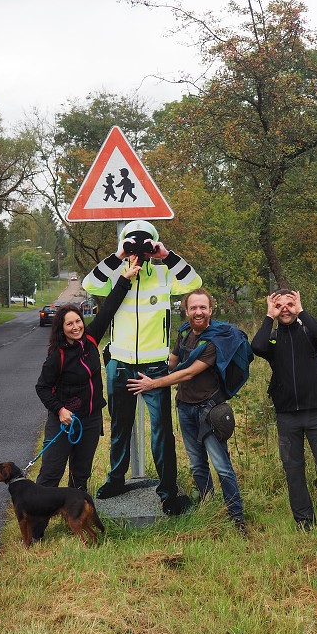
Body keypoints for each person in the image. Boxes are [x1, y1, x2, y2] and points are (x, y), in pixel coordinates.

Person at [82, 220, 202, 515]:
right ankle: (116, 480)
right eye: (132, 244)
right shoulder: (116, 274)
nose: (138, 250)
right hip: (120, 362)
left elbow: (193, 283)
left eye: (143, 245)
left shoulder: (163, 274)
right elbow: (89, 284)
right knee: (119, 428)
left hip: (155, 366)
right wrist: (119, 256)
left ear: (153, 245)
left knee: (161, 431)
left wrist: (166, 255)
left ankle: (167, 491)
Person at [33, 262, 140, 540]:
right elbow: (43, 388)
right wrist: (60, 411)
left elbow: (109, 308)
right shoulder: (56, 356)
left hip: (90, 421)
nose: (76, 326)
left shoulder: (91, 339)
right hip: (64, 422)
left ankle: (76, 521)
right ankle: (36, 529)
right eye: (69, 324)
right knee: (51, 474)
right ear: (62, 328)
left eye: (78, 321)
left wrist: (125, 279)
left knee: (80, 476)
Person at [127, 288, 248, 533]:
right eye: (193, 308)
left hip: (209, 410)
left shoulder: (215, 339)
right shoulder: (183, 332)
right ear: (186, 310)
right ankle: (208, 508)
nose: (198, 312)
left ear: (211, 310)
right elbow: (174, 361)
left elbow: (189, 371)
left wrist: (154, 383)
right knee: (197, 465)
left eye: (203, 307)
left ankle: (237, 517)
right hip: (185, 408)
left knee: (221, 465)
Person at [251, 289, 317, 531]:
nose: (285, 308)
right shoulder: (273, 339)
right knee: (293, 471)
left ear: (297, 304)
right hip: (286, 416)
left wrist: (301, 311)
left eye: (290, 304)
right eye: (280, 305)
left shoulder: (310, 333)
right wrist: (268, 315)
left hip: (316, 412)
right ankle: (304, 522)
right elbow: (256, 346)